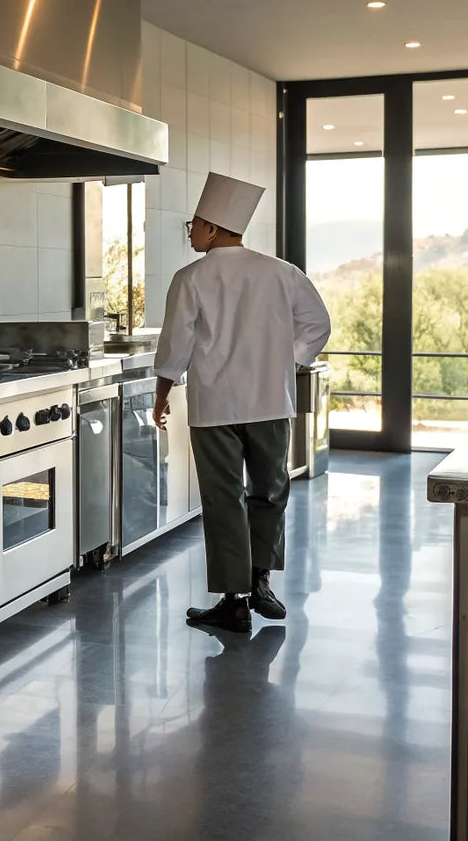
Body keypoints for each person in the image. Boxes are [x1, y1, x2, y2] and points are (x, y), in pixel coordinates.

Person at [152, 173, 331, 633]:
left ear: (213, 228)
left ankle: (234, 600)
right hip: (271, 402)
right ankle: (261, 583)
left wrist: (162, 396)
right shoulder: (280, 272)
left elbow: (176, 345)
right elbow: (318, 325)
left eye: (193, 224)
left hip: (215, 407)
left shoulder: (190, 278)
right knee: (269, 493)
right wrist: (283, 360)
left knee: (223, 499)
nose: (190, 231)